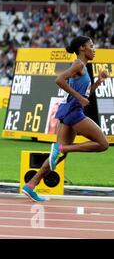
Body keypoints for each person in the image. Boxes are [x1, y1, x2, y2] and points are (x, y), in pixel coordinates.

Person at [22, 36, 109, 202]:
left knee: (57, 156)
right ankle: (63, 148)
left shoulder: (82, 67)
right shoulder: (78, 64)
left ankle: (31, 185)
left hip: (69, 110)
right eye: (91, 46)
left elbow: (85, 95)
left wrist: (98, 81)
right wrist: (79, 98)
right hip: (73, 112)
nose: (94, 49)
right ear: (82, 48)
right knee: (103, 144)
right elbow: (59, 80)